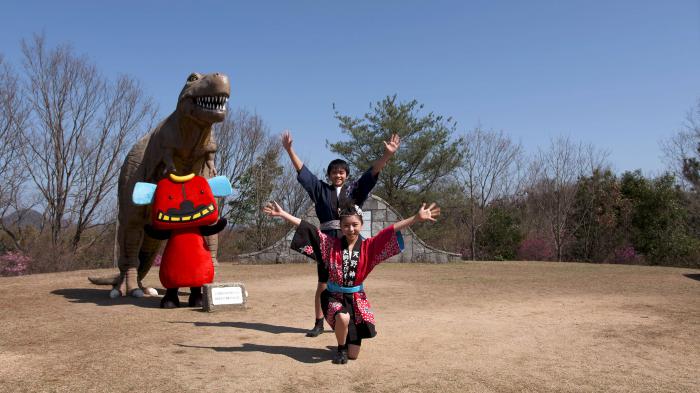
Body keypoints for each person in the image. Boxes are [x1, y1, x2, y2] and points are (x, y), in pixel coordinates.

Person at [263, 200, 440, 364]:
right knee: (342, 316)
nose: (350, 229)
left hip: (356, 298)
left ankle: (345, 340)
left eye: (355, 225)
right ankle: (340, 348)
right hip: (333, 295)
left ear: (361, 225)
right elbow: (308, 228)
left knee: (354, 355)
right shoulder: (329, 245)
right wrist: (283, 214)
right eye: (346, 225)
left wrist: (416, 218)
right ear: (340, 227)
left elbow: (390, 231)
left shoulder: (369, 247)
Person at [281, 130, 400, 337]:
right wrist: (290, 150)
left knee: (352, 282)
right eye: (334, 172)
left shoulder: (354, 191)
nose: (338, 175)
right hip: (327, 241)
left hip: (351, 241)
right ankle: (319, 321)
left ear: (346, 174)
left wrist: (387, 155)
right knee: (323, 283)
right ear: (329, 175)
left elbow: (371, 174)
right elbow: (304, 173)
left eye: (342, 172)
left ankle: (353, 318)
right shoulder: (320, 190)